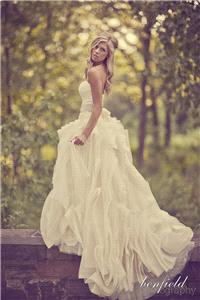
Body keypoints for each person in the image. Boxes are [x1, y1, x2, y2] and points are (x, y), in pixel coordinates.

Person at [40, 32, 195, 300]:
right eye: (97, 46)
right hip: (91, 124)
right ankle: (90, 228)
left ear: (108, 57)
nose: (99, 51)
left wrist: (85, 134)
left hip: (92, 128)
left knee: (99, 185)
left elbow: (97, 108)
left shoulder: (95, 73)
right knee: (90, 184)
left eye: (104, 50)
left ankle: (104, 236)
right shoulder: (92, 69)